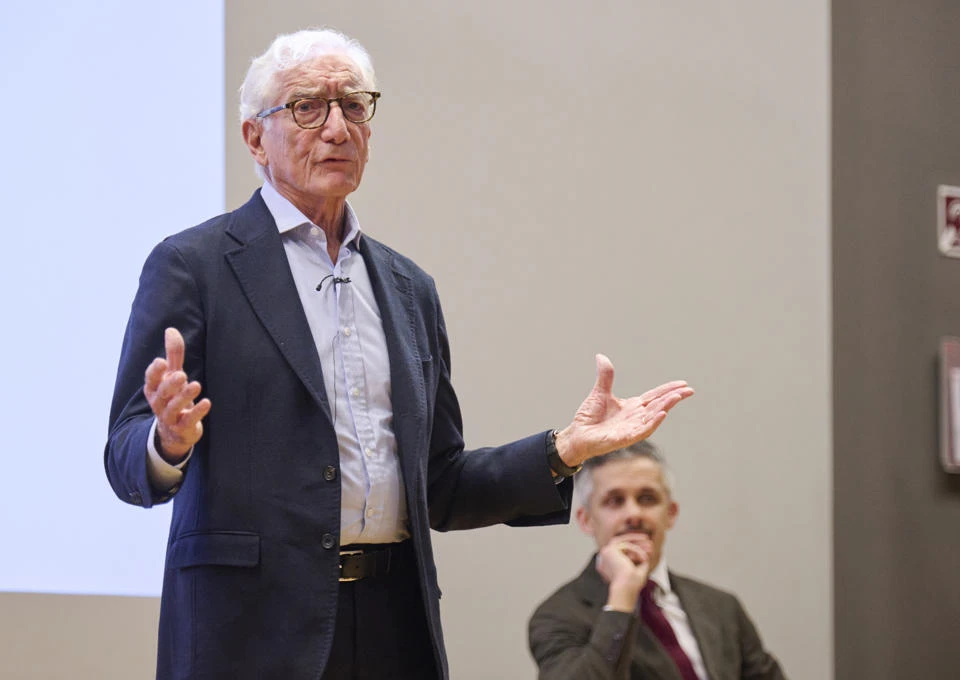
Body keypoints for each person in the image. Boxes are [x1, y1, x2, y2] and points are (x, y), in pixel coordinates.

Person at [104, 28, 694, 680]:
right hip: (250, 633)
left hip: (393, 624)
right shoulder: (195, 266)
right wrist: (168, 442)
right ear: (254, 138)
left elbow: (441, 486)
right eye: (308, 108)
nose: (336, 128)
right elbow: (124, 454)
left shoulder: (408, 288)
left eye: (354, 106)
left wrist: (566, 450)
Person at [528, 441, 785, 680]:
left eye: (647, 498)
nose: (633, 514)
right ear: (586, 520)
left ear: (670, 513)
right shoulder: (557, 615)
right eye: (614, 501)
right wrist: (622, 597)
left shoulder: (721, 607)